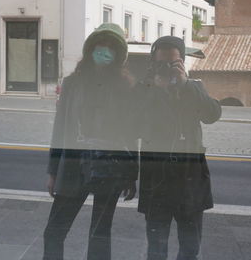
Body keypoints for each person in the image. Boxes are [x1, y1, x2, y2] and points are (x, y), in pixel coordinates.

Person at [43, 23, 138, 260]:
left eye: (110, 48)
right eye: (100, 46)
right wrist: (53, 171)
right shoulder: (72, 83)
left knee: (100, 234)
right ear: (90, 49)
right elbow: (60, 127)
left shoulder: (126, 87)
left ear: (118, 55)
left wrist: (131, 174)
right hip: (74, 164)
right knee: (54, 232)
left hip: (110, 167)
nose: (104, 52)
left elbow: (129, 134)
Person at [133, 36, 222, 260]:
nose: (166, 68)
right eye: (161, 63)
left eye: (172, 63)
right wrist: (156, 90)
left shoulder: (194, 86)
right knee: (156, 249)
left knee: (190, 248)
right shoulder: (144, 88)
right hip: (157, 179)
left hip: (189, 179)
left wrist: (185, 85)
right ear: (153, 63)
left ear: (182, 62)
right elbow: (133, 123)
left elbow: (212, 114)